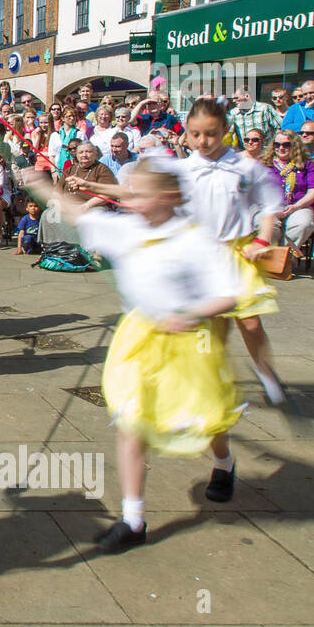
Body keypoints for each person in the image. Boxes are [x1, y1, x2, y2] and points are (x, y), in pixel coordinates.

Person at [38, 160, 245, 553]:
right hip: (138, 338)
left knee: (205, 418)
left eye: (139, 193)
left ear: (167, 197)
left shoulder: (194, 239)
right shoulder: (125, 227)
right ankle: (133, 520)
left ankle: (223, 463)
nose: (129, 198)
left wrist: (189, 314)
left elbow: (230, 293)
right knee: (131, 420)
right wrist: (41, 184)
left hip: (190, 343)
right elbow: (76, 214)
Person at [74, 98, 287, 405]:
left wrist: (263, 240)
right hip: (200, 253)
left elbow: (269, 205)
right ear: (186, 132)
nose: (204, 141)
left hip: (238, 252)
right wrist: (87, 185)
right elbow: (137, 191)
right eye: (196, 134)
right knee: (214, 328)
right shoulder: (183, 169)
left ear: (226, 130)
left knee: (250, 321)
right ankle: (215, 384)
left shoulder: (245, 167)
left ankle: (266, 372)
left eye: (212, 134)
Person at [261, 129, 314, 259]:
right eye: (277, 145)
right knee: (265, 224)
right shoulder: (264, 164)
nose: (281, 148)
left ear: (295, 145)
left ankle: (284, 257)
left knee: (304, 224)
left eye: (286, 145)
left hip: (298, 205)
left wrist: (295, 207)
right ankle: (272, 258)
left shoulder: (307, 165)